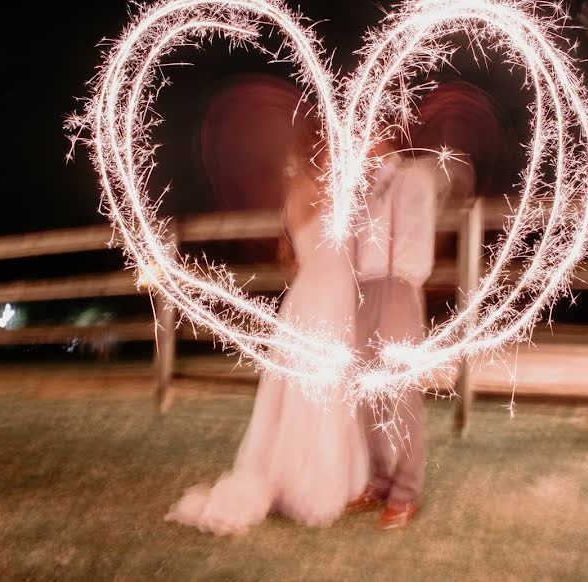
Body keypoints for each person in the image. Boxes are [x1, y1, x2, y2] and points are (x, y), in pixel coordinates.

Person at [164, 134, 368, 535]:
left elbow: (300, 251)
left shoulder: (310, 193)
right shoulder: (312, 193)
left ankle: (323, 473)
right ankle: (310, 482)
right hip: (322, 300)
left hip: (326, 295)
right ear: (320, 157)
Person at [348, 141, 474, 529]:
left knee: (401, 392)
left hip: (399, 284)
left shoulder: (415, 176)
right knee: (365, 390)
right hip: (362, 288)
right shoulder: (360, 187)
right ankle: (381, 478)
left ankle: (406, 491)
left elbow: (455, 177)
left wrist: (409, 276)